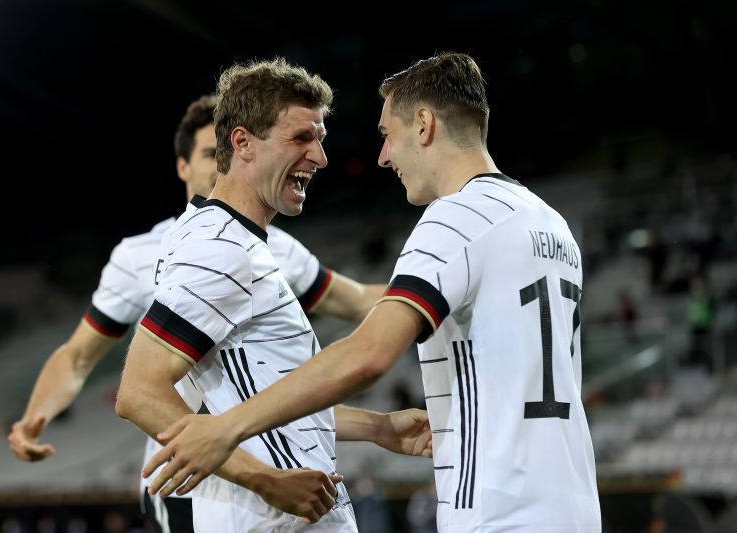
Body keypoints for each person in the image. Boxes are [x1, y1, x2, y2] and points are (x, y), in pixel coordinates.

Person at [144, 52, 602, 532]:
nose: (383, 156)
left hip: (497, 507)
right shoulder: (550, 222)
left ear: (423, 125)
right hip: (573, 501)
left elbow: (368, 352)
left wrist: (224, 428)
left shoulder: (456, 217)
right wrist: (376, 426)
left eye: (387, 135)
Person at [7, 94, 389, 531]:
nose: (217, 163)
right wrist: (32, 417)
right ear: (183, 167)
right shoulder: (139, 255)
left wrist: (437, 294)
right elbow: (79, 358)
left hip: (268, 467)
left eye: (222, 150)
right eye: (208, 153)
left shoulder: (275, 246)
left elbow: (359, 300)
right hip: (185, 478)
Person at [116, 58, 432, 532]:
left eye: (320, 139)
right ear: (242, 142)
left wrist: (377, 427)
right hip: (274, 519)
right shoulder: (220, 250)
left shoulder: (229, 243)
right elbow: (139, 392)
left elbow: (260, 396)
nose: (320, 157)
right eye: (301, 138)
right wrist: (266, 481)